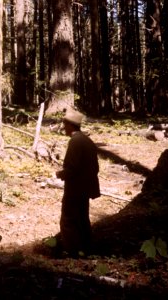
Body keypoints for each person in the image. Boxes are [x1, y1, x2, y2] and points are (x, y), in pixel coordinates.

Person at [56, 109, 100, 257]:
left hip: (75, 189)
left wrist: (60, 174)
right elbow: (95, 167)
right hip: (85, 189)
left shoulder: (75, 141)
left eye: (65, 124)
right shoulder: (87, 141)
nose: (63, 127)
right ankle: (87, 249)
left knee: (68, 220)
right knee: (82, 219)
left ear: (70, 125)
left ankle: (71, 253)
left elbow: (72, 168)